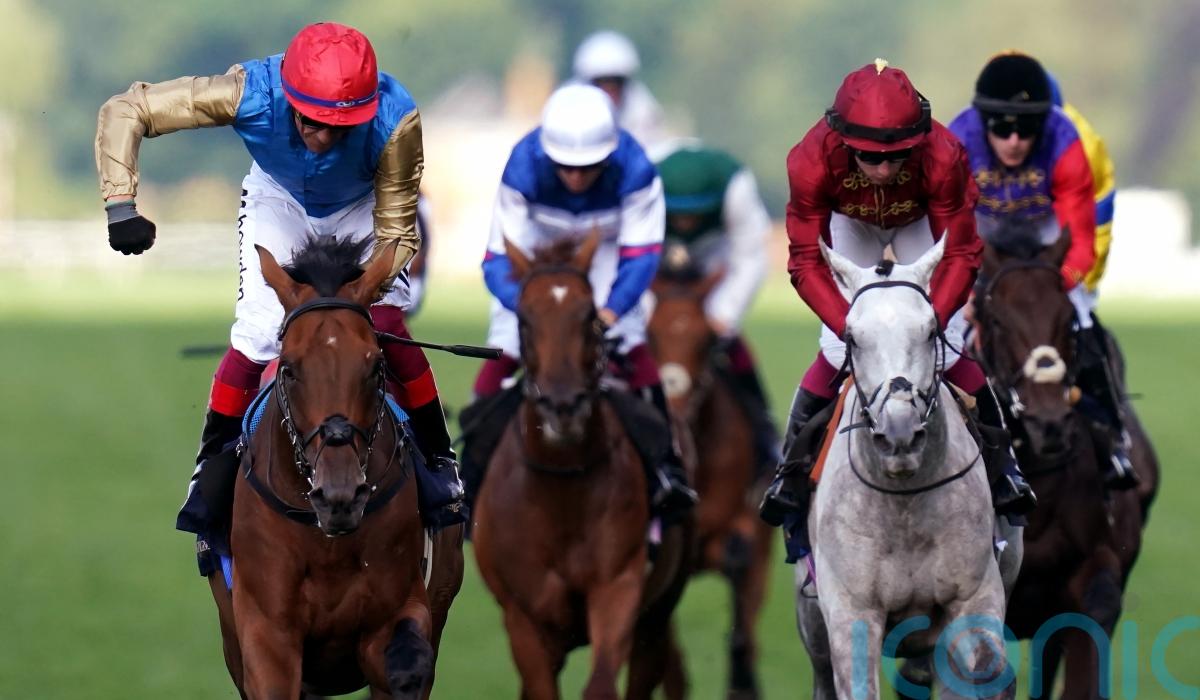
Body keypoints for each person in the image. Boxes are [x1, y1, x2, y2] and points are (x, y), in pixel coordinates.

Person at [94, 22, 466, 532]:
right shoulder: (249, 93)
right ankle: (210, 469)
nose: (326, 138)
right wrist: (120, 202)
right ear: (289, 98)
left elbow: (399, 232)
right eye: (314, 122)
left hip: (362, 204)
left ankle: (440, 459)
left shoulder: (396, 120)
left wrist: (357, 298)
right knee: (257, 334)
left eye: (342, 126)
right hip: (278, 199)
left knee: (384, 325)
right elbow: (127, 108)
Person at [757, 59, 1036, 559]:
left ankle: (1004, 469)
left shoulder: (944, 155)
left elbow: (961, 253)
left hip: (919, 222)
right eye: (870, 157)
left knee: (947, 348)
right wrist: (848, 325)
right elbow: (804, 260)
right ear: (843, 141)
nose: (885, 171)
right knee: (836, 348)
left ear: (917, 141)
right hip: (849, 223)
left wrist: (933, 319)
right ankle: (790, 475)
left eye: (898, 157)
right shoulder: (810, 159)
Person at [469, 83, 696, 520]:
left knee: (630, 343)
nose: (575, 179)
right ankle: (467, 478)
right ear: (547, 155)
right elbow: (497, 260)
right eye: (565, 168)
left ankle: (666, 468)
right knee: (505, 348)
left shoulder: (636, 169)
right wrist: (533, 311)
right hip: (537, 252)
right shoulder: (523, 165)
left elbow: (640, 255)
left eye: (588, 168)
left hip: (607, 250)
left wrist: (610, 312)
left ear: (608, 156)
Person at [948, 51, 1135, 487]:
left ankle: (1113, 438)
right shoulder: (957, 142)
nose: (1015, 141)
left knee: (1083, 322)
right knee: (943, 329)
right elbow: (951, 233)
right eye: (1002, 129)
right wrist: (970, 295)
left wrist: (1056, 288)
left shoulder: (1067, 141)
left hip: (1047, 235)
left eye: (1027, 129)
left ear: (1044, 124)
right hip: (981, 236)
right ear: (983, 123)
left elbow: (1081, 241)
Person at [654, 140, 779, 471]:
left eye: (694, 213)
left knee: (731, 346)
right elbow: (629, 250)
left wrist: (722, 315)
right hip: (657, 268)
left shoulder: (734, 185)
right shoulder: (645, 181)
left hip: (716, 265)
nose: (685, 222)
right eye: (678, 213)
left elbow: (750, 257)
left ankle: (765, 435)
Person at [571, 30, 667, 150]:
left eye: (615, 85)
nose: (608, 94)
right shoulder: (566, 111)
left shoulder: (642, 115)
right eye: (601, 85)